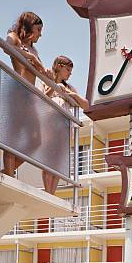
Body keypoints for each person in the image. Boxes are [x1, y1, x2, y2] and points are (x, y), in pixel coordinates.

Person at [3, 11, 51, 177]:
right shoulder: (14, 37)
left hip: (29, 96)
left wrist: (48, 74)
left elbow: (40, 71)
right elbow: (6, 47)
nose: (40, 34)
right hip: (17, 92)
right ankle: (8, 175)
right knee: (13, 138)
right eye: (38, 30)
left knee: (36, 139)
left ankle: (7, 171)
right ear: (29, 28)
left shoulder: (34, 49)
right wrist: (30, 57)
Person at [42, 55, 89, 194]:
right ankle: (47, 190)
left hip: (63, 128)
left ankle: (52, 192)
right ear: (60, 67)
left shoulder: (70, 87)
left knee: (57, 161)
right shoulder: (46, 80)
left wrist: (70, 94)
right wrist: (53, 86)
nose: (70, 74)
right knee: (47, 160)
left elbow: (86, 105)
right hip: (48, 125)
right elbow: (40, 97)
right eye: (68, 70)